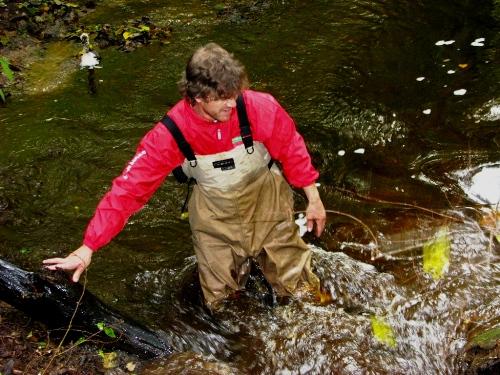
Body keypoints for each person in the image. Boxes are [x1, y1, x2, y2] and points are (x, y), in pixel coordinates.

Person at [43, 43, 326, 310]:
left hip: (268, 202)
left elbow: (291, 148)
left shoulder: (258, 107)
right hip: (214, 216)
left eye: (234, 94)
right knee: (223, 304)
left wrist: (313, 198)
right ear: (199, 97)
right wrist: (89, 245)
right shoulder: (170, 134)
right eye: (223, 98)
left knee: (300, 288)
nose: (232, 103)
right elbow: (128, 190)